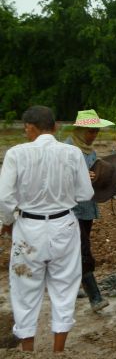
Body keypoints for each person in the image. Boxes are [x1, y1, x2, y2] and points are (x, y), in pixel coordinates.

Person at [0, 106, 94, 352]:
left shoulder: (16, 154)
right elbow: (86, 193)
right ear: (54, 127)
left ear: (30, 127)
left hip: (28, 228)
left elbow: (5, 198)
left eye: (25, 129)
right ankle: (58, 351)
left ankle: (28, 352)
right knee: (64, 288)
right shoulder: (72, 153)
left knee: (24, 291)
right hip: (64, 225)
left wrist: (8, 222)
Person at [66, 109, 116, 312]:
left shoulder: (90, 152)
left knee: (76, 249)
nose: (93, 135)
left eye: (96, 132)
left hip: (87, 208)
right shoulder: (66, 149)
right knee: (83, 251)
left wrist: (115, 190)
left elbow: (95, 177)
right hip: (70, 209)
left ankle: (72, 290)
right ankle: (95, 297)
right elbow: (60, 180)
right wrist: (81, 177)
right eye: (90, 131)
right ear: (80, 129)